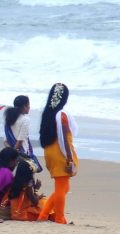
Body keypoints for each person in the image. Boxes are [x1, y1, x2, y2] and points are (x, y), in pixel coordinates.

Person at [37, 83, 78, 224]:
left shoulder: (47, 114)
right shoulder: (61, 115)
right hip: (60, 151)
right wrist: (69, 158)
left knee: (65, 186)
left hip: (49, 151)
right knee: (61, 186)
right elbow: (64, 138)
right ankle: (60, 218)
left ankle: (43, 215)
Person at [4, 95, 42, 172]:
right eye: (28, 105)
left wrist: (11, 153)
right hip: (23, 153)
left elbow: (5, 141)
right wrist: (14, 155)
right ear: (24, 106)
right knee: (26, 178)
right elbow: (20, 141)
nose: (29, 107)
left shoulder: (9, 119)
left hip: (12, 152)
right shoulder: (25, 120)